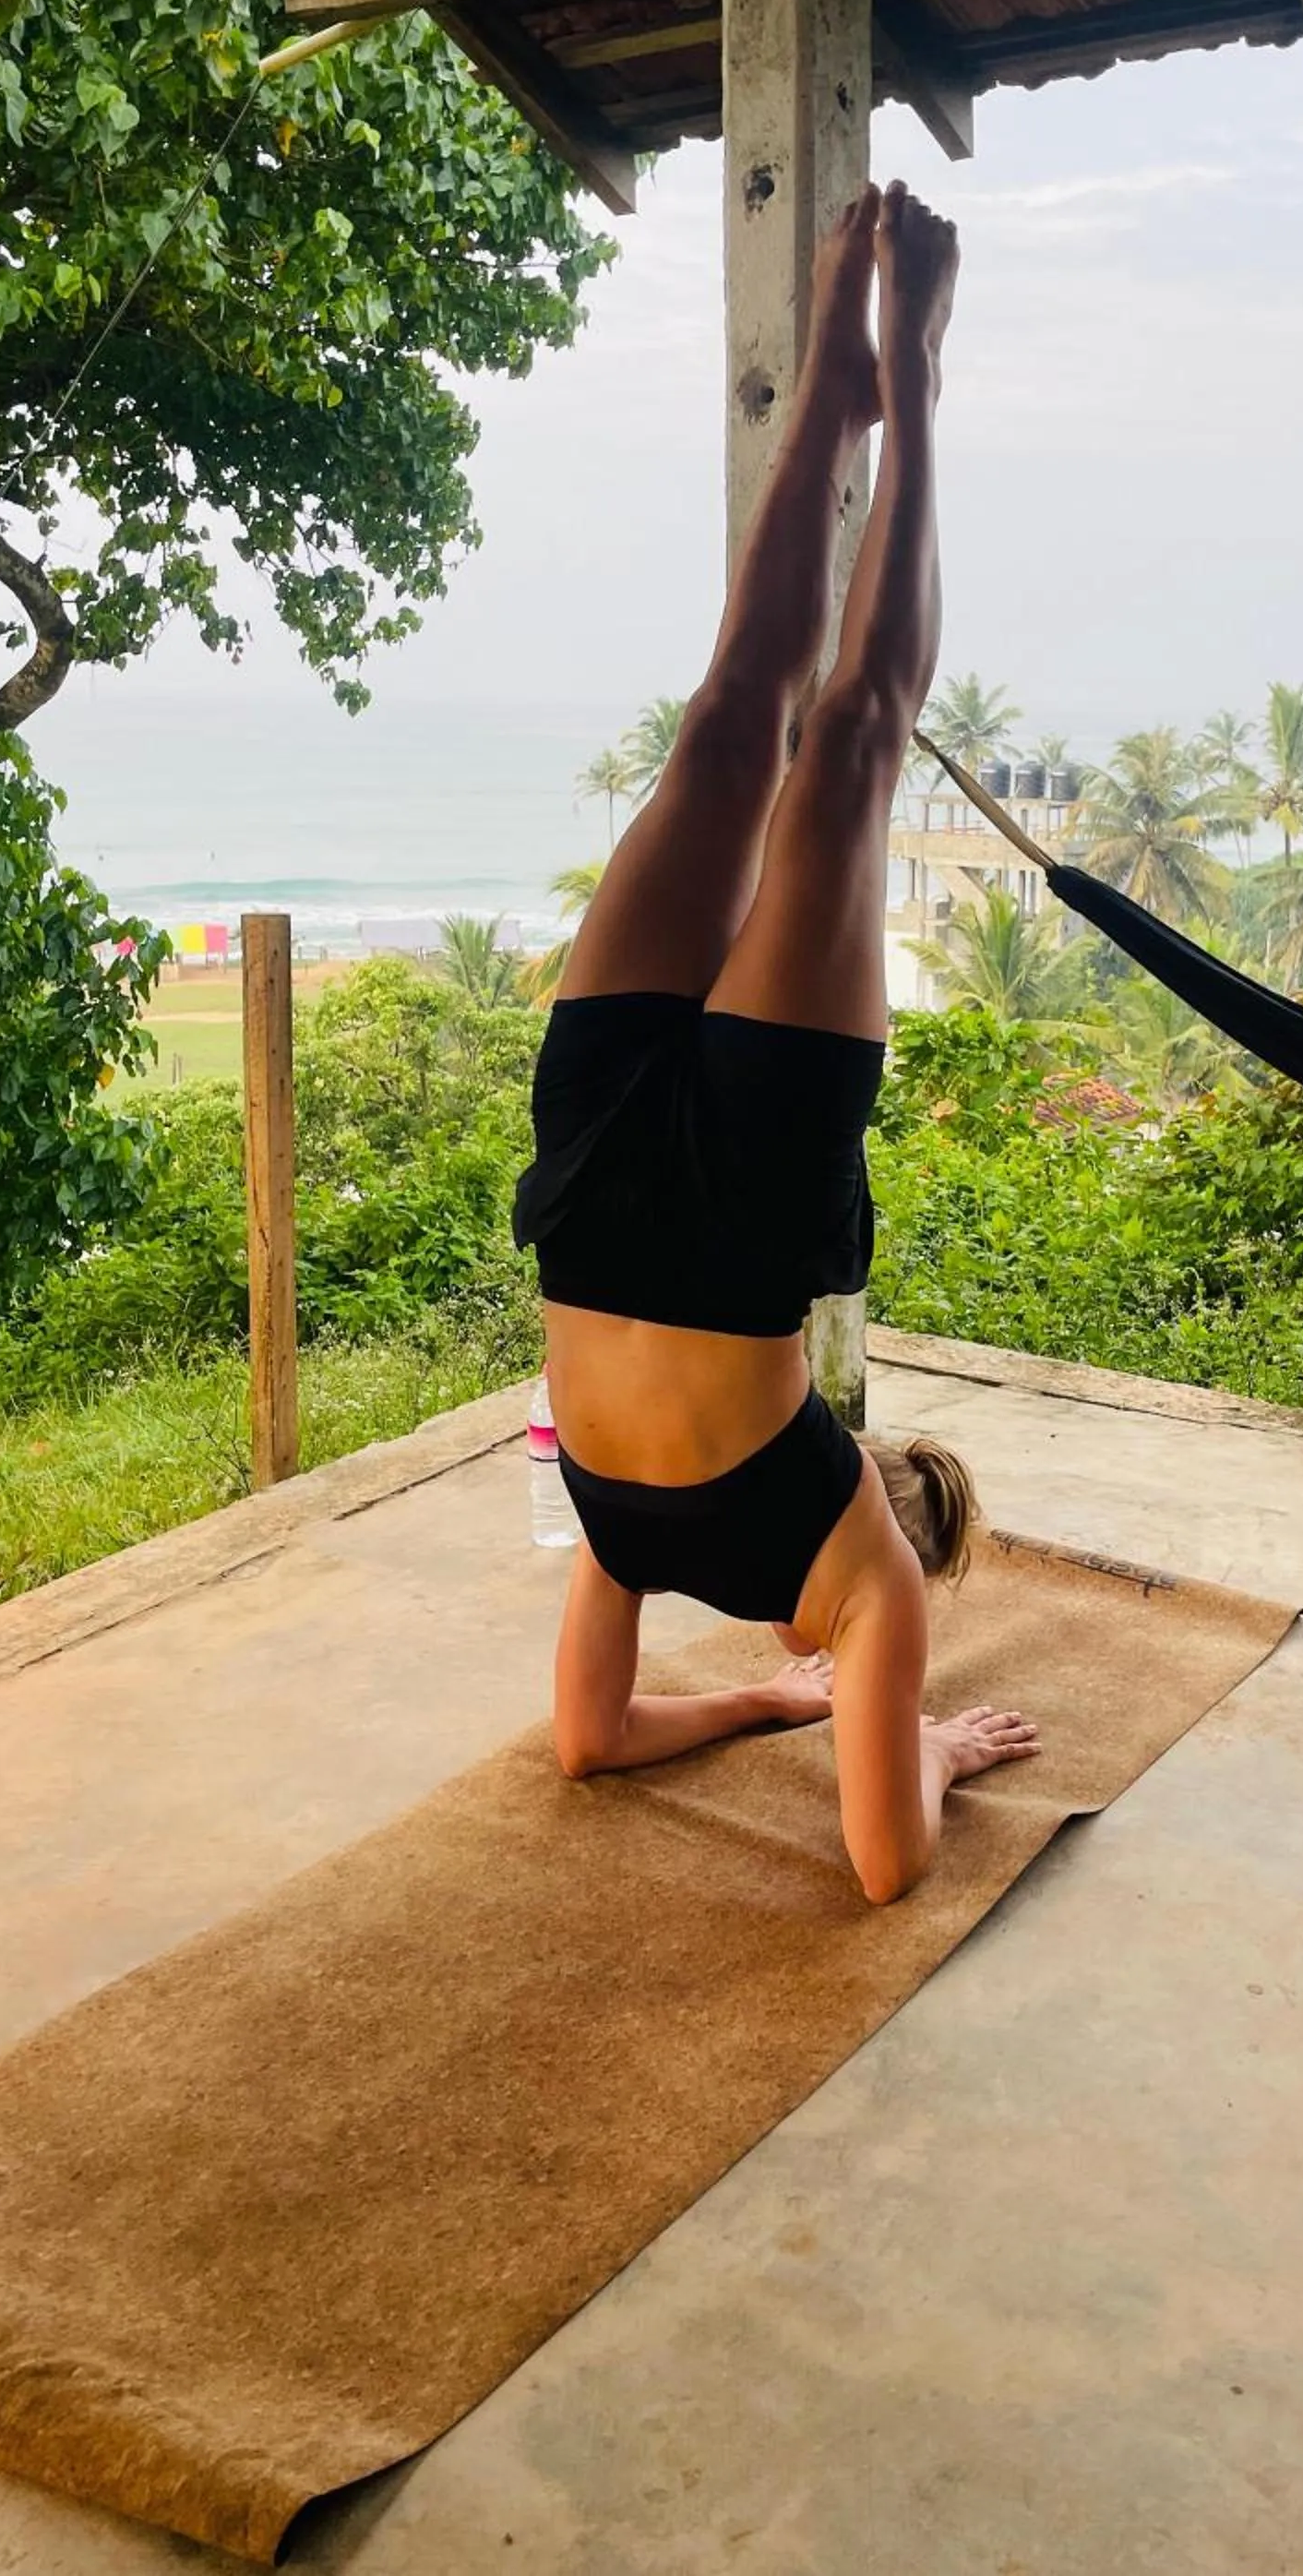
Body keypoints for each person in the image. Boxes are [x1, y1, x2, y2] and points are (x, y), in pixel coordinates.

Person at [513, 183, 1038, 1903]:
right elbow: (881, 1862)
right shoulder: (676, 1536)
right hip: (643, 1212)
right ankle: (887, 368)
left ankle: (857, 361)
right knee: (793, 741)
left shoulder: (833, 1569)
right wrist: (901, 1742)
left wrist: (792, 1698)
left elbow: (588, 1751)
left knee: (786, 735)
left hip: (646, 1195)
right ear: (888, 1507)